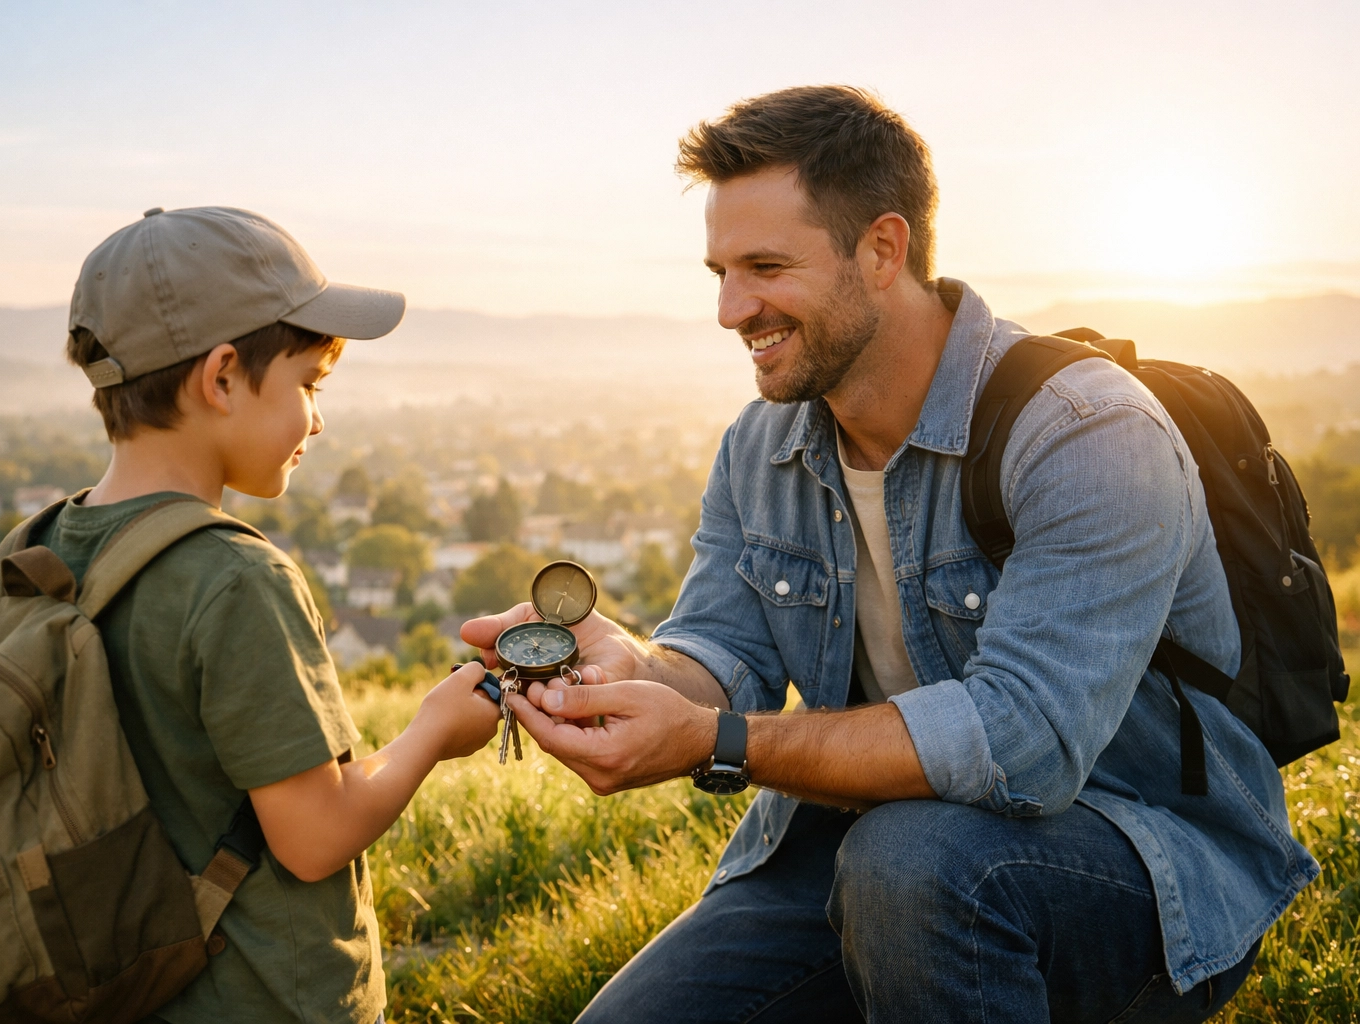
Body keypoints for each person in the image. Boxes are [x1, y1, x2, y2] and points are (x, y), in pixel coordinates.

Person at [463, 87, 1318, 1023]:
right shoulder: (763, 445)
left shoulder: (1086, 432)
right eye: (718, 271)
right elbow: (721, 658)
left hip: (1132, 851)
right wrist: (636, 671)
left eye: (765, 267)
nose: (729, 309)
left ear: (882, 249)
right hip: (856, 847)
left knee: (911, 863)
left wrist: (718, 743)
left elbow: (1018, 745)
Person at [49, 206, 501, 1024]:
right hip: (263, 997)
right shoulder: (235, 578)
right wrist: (434, 729)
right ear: (221, 377)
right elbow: (315, 836)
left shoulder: (40, 547)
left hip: (116, 990)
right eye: (308, 384)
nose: (318, 418)